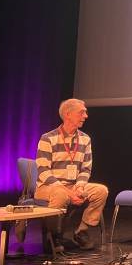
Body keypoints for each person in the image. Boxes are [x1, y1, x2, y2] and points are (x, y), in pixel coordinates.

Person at [35, 98, 108, 251]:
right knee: (60, 194)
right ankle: (52, 237)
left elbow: (85, 169)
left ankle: (82, 231)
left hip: (73, 186)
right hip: (48, 187)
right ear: (68, 114)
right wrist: (68, 192)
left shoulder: (85, 139)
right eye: (82, 112)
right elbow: (43, 172)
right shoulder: (48, 138)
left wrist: (80, 188)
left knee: (101, 191)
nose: (86, 116)